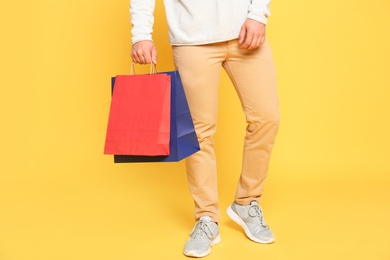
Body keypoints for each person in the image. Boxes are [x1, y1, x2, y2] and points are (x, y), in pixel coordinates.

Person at [130, 0, 280, 257]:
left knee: (267, 118)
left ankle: (247, 202)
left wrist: (258, 15)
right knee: (199, 132)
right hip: (192, 39)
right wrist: (141, 35)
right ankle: (207, 217)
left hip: (246, 30)